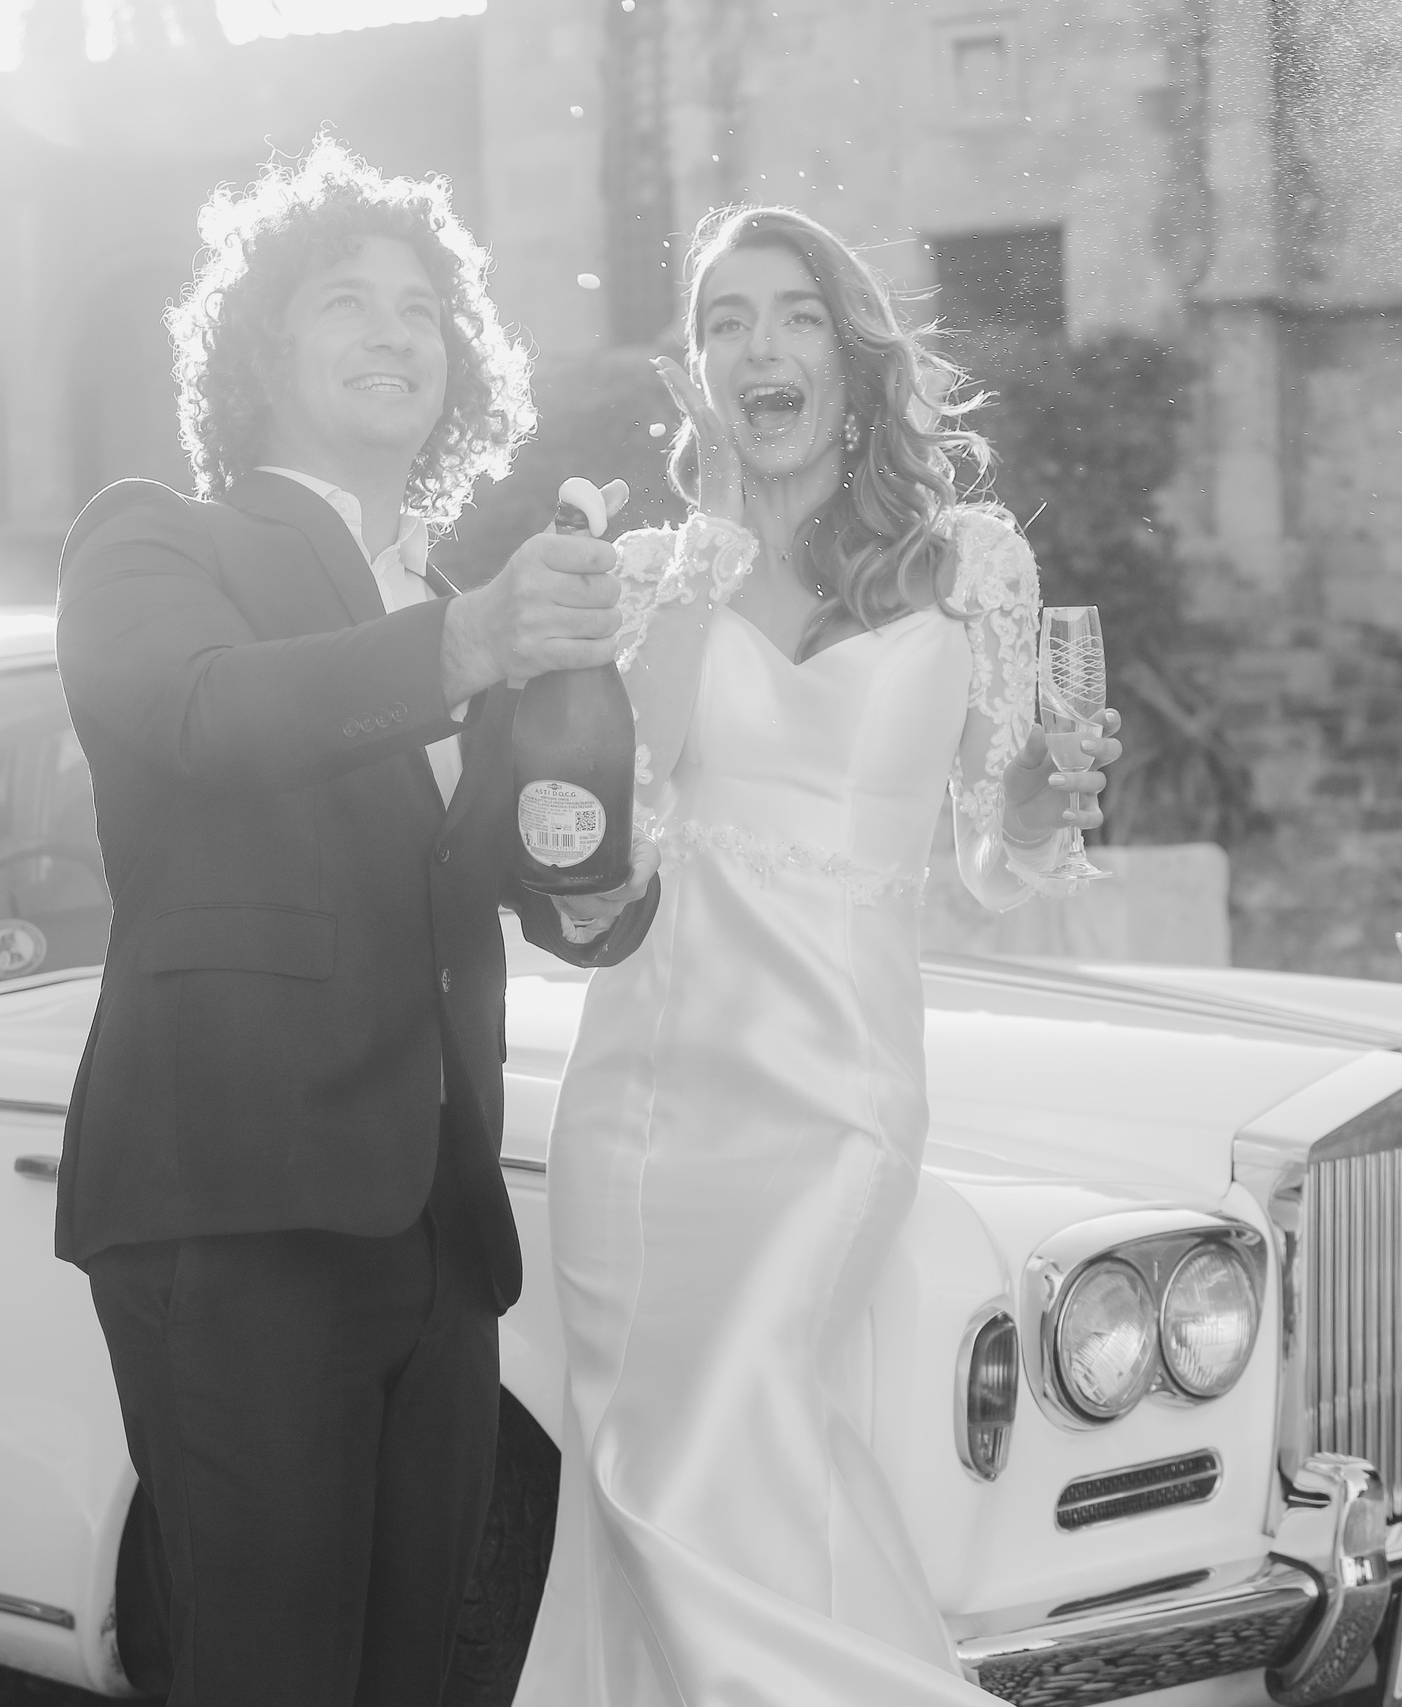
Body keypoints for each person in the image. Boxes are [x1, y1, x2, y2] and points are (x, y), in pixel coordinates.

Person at [52, 140, 659, 1707]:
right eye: (347, 302)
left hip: (440, 1241)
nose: (399, 333)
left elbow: (535, 866)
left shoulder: (459, 599)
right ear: (259, 349)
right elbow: (209, 718)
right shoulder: (157, 544)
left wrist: (602, 887)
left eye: (424, 309)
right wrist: (463, 641)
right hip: (238, 1215)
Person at [513, 205, 1123, 1706]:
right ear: (699, 373)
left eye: (791, 315)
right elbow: (614, 832)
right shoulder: (659, 574)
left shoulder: (968, 564)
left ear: (852, 360)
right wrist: (676, 591)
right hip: (643, 1107)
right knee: (657, 1477)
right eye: (725, 321)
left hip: (835, 1096)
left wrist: (1045, 805)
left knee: (708, 1457)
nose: (758, 345)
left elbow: (989, 865)